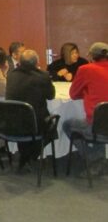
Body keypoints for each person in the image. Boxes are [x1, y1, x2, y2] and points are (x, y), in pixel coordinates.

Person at [6, 50, 56, 170]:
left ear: (20, 62)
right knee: (51, 125)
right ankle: (31, 154)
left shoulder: (11, 75)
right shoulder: (43, 76)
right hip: (35, 125)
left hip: (13, 124)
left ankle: (25, 155)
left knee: (24, 119)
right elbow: (51, 96)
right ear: (37, 62)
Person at [64, 42, 108, 173]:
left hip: (97, 126)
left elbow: (73, 94)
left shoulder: (86, 69)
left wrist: (86, 92)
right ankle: (99, 158)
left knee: (67, 125)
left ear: (92, 56)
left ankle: (94, 158)